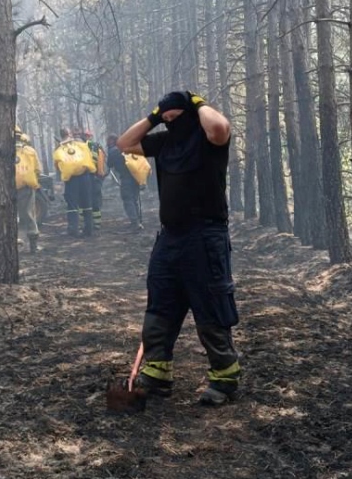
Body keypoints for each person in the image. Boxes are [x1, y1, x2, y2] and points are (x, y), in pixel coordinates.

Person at [117, 90, 240, 406]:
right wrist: (155, 116)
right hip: (170, 238)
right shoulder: (165, 143)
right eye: (167, 120)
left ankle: (224, 379)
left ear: (191, 113)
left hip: (205, 236)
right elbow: (124, 143)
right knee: (161, 304)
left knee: (210, 305)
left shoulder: (207, 139)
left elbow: (220, 128)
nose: (172, 123)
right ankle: (157, 375)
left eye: (176, 118)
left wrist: (198, 103)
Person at [53, 128, 96, 237]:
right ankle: (89, 229)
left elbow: (57, 165)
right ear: (70, 133)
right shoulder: (80, 144)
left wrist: (64, 174)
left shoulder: (59, 148)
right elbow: (88, 156)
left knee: (72, 205)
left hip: (71, 180)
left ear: (61, 135)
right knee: (87, 203)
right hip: (85, 176)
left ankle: (73, 230)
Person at [106, 134, 143, 231]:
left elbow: (109, 164)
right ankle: (138, 221)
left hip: (126, 178)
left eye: (108, 141)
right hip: (136, 176)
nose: (107, 143)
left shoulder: (113, 151)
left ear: (112, 141)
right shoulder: (127, 148)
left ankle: (134, 222)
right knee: (134, 199)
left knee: (127, 199)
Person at [15, 127, 41, 253]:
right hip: (27, 188)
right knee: (30, 215)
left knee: (12, 216)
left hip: (8, 189)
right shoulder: (30, 151)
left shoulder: (2, 151)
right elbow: (37, 170)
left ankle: (15, 243)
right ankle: (33, 246)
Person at [83, 130, 106, 229]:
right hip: (96, 177)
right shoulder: (98, 146)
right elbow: (102, 162)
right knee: (95, 200)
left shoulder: (82, 147)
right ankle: (97, 224)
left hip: (87, 177)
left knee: (86, 200)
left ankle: (89, 223)